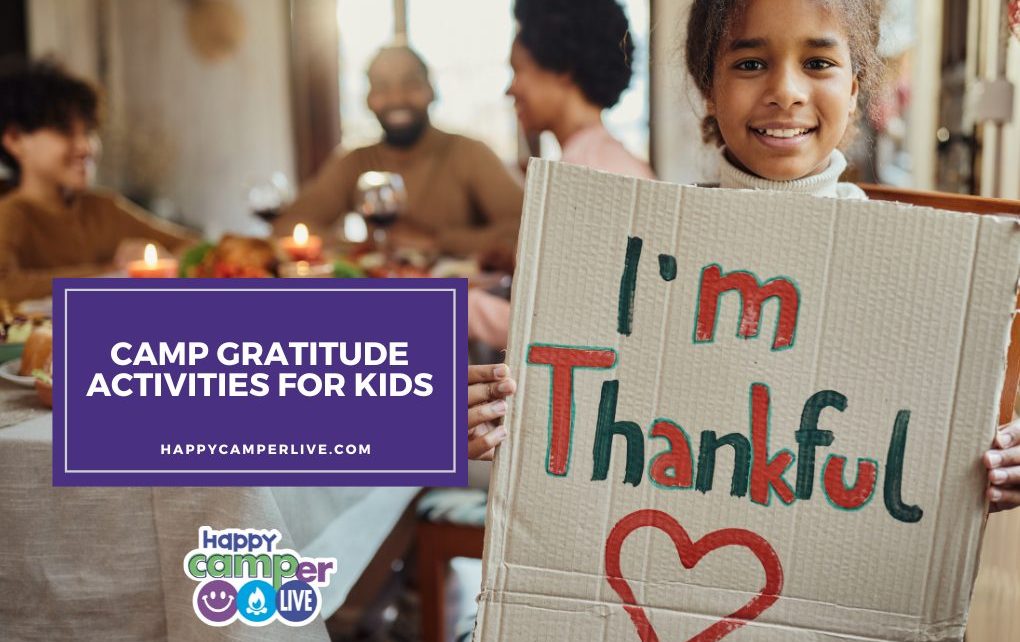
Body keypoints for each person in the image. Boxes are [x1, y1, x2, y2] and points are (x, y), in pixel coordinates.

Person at [467, 0, 1020, 515]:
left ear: (855, 88)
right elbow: (586, 407)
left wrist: (991, 462)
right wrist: (506, 420)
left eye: (818, 62)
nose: (786, 91)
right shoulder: (655, 247)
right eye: (751, 62)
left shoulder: (909, 265)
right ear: (710, 88)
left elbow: (937, 430)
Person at [277, 45, 523, 258]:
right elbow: (287, 226)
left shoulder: (469, 153)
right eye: (382, 87)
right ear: (369, 99)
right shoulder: (354, 162)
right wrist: (362, 248)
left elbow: (529, 228)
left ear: (431, 91)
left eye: (410, 84)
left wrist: (437, 241)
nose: (396, 97)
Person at [0, 60, 195, 303]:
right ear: (15, 139)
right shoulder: (11, 214)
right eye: (64, 131)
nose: (85, 147)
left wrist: (159, 260)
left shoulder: (103, 209)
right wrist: (113, 271)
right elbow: (5, 286)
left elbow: (197, 249)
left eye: (89, 132)